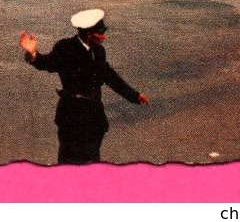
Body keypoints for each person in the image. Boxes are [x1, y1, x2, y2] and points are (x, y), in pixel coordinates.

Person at [19, 9, 148, 165]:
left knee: (92, 160)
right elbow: (47, 63)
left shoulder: (98, 51)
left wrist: (134, 95)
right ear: (89, 34)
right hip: (71, 115)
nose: (104, 36)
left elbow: (110, 76)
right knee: (68, 160)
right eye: (101, 32)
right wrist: (33, 54)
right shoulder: (66, 47)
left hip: (94, 116)